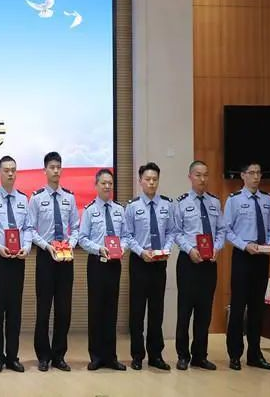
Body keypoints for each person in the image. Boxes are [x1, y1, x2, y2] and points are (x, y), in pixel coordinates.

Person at [122, 162, 178, 371]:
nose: (152, 182)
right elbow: (127, 235)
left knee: (157, 310)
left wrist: (166, 248)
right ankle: (137, 355)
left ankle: (156, 355)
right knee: (137, 311)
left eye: (155, 179)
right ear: (140, 181)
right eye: (148, 179)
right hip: (140, 262)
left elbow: (172, 231)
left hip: (159, 263)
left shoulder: (167, 205)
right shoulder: (132, 206)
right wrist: (140, 251)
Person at [0, 155, 32, 373]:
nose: (10, 173)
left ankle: (12, 356)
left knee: (15, 311)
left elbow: (28, 228)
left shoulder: (23, 199)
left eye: (13, 170)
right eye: (6, 170)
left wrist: (26, 247)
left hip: (17, 261)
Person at [28, 151, 79, 372]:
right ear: (45, 170)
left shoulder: (70, 197)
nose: (56, 170)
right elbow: (30, 229)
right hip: (46, 256)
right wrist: (47, 246)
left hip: (65, 257)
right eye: (52, 167)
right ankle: (43, 355)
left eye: (58, 167)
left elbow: (75, 227)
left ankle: (59, 355)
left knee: (64, 309)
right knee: (44, 308)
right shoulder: (36, 198)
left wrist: (70, 243)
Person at [225, 162, 270, 371]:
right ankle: (234, 354)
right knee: (238, 307)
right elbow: (227, 230)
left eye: (258, 173)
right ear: (243, 175)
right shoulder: (234, 199)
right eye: (252, 173)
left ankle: (255, 354)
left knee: (257, 307)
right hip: (243, 256)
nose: (256, 177)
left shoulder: (267, 199)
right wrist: (245, 245)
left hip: (262, 257)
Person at [173, 160, 225, 371]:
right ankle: (182, 355)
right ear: (190, 177)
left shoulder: (214, 202)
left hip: (209, 263)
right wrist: (189, 250)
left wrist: (217, 248)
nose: (202, 179)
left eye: (205, 175)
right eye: (198, 175)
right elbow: (176, 232)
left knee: (205, 311)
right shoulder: (181, 203)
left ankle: (200, 355)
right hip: (189, 261)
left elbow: (221, 230)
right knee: (185, 310)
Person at [78, 168, 126, 371]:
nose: (107, 186)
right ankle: (96, 356)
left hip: (115, 264)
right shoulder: (90, 210)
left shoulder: (119, 210)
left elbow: (126, 236)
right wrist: (99, 249)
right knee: (96, 310)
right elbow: (82, 239)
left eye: (110, 183)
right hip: (97, 263)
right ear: (96, 185)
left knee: (111, 310)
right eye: (103, 183)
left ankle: (111, 356)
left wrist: (122, 248)